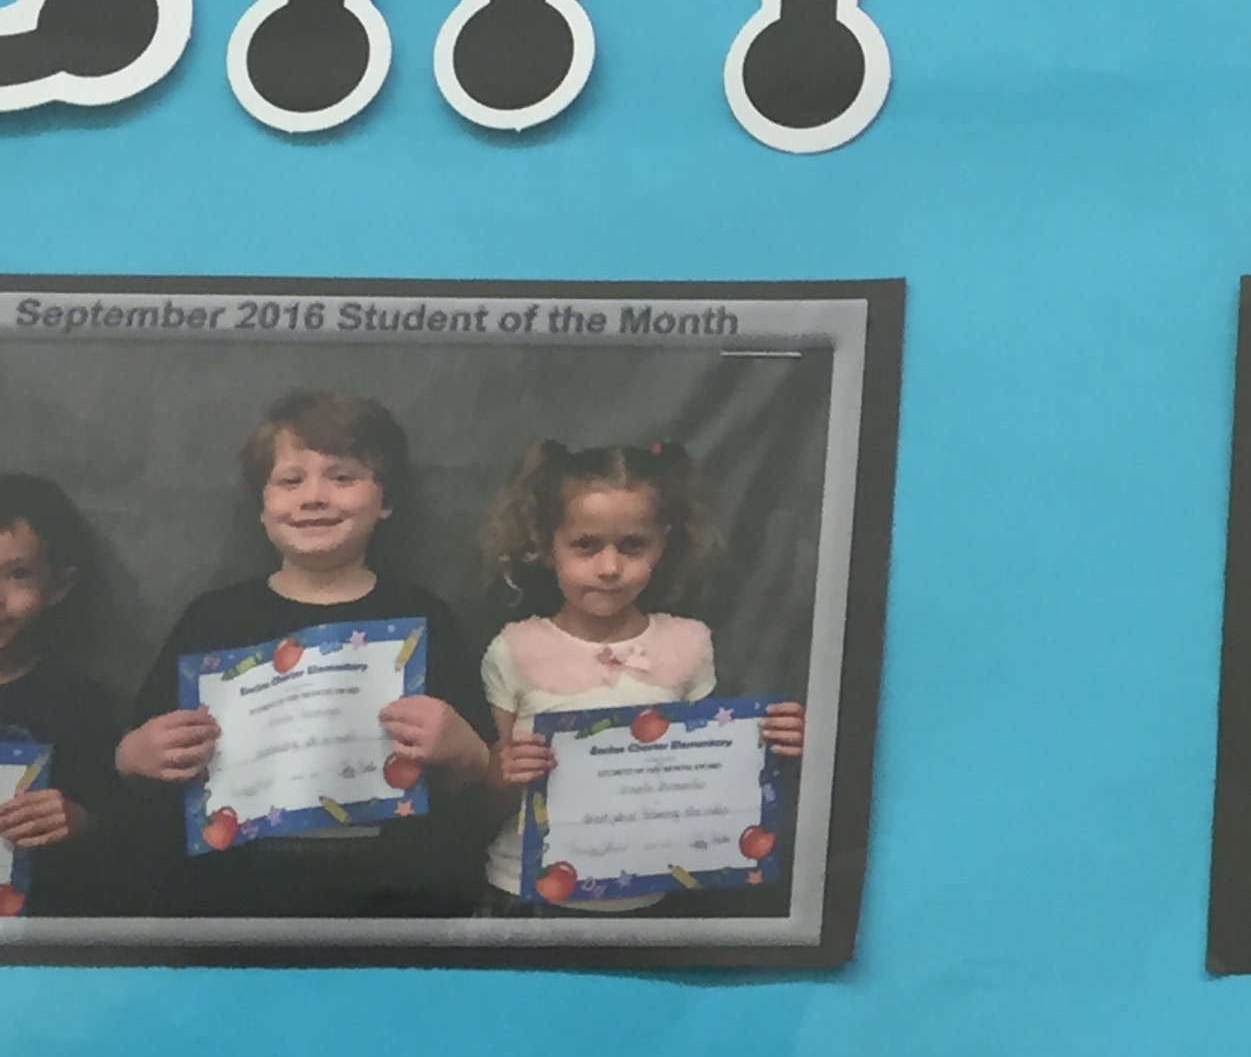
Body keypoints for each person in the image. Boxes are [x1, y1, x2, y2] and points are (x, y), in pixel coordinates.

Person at [113, 393, 494, 918]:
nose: (314, 497)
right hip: (233, 907)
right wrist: (135, 754)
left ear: (385, 500)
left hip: (391, 906)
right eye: (290, 480)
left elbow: (474, 771)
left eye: (342, 477)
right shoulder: (214, 619)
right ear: (262, 506)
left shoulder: (425, 617)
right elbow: (135, 754)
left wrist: (466, 750)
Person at [478, 440, 805, 912]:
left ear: (662, 543)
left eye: (633, 546)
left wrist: (772, 742)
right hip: (528, 892)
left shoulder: (689, 644)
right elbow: (490, 795)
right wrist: (506, 772)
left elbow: (709, 772)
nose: (610, 568)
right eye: (585, 545)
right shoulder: (514, 648)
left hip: (652, 893)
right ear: (547, 546)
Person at [0, 472, 120, 915]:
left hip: (42, 938)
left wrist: (78, 820)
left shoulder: (79, 706)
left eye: (17, 574)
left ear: (58, 586)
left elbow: (114, 825)